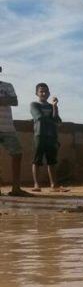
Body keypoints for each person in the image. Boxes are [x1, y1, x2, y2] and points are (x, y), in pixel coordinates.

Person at [0, 66, 30, 197]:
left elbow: (15, 101)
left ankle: (16, 188)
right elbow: (10, 100)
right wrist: (5, 100)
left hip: (7, 127)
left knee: (17, 154)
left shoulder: (8, 86)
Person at [30, 82, 65, 192]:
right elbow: (40, 118)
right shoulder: (34, 105)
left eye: (46, 91)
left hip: (51, 137)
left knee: (52, 162)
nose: (44, 93)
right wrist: (53, 121)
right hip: (39, 135)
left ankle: (54, 185)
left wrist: (54, 107)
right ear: (37, 93)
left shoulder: (51, 107)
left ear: (49, 93)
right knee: (37, 161)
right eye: (41, 91)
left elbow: (58, 121)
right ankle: (36, 185)